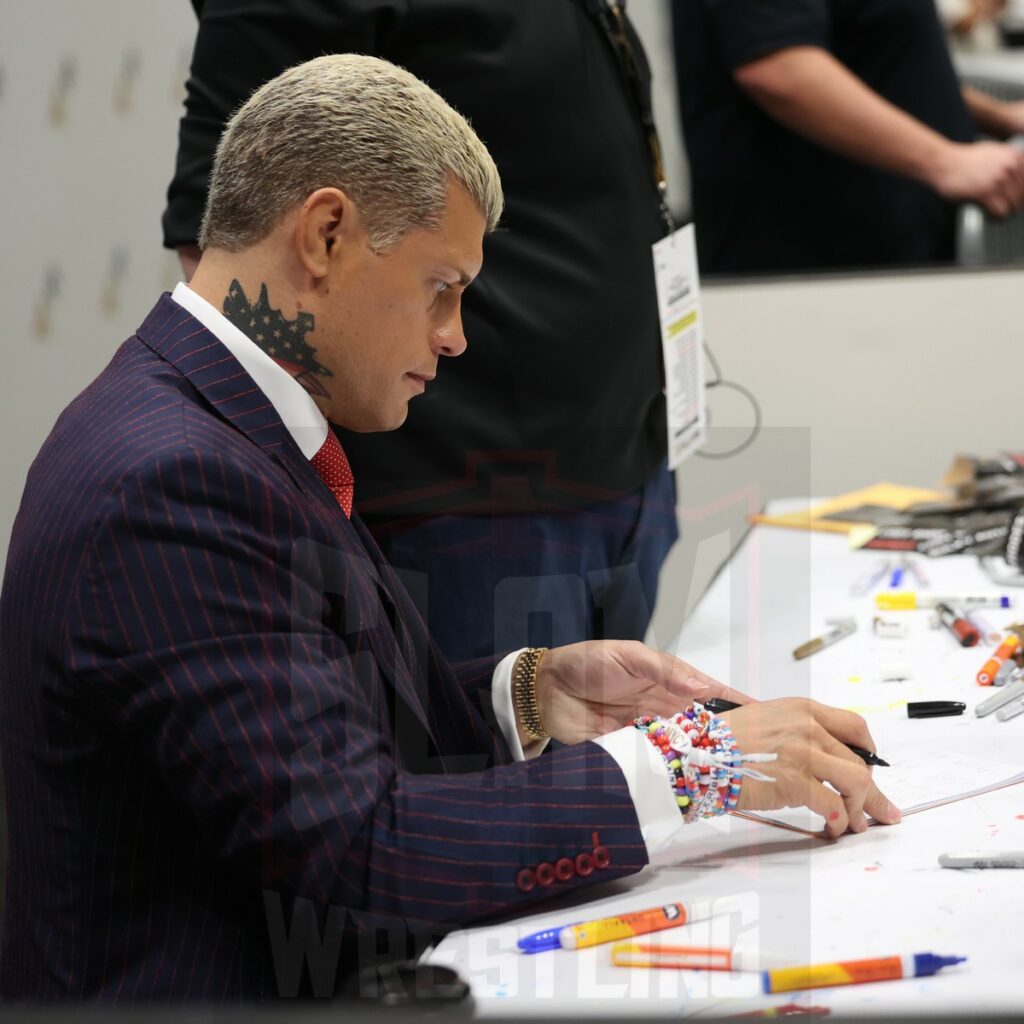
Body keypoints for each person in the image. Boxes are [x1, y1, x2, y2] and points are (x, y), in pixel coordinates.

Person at [0, 55, 898, 1002]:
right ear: (327, 234)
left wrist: (530, 696)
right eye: (441, 285)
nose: (456, 333)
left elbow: (307, 726)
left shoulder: (223, 424)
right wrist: (694, 767)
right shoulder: (174, 481)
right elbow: (359, 849)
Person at [162, 0, 681, 667]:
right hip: (459, 506)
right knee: (464, 765)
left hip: (624, 467)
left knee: (614, 757)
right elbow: (236, 236)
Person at [674, 0, 1024, 275]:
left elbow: (880, 65)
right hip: (811, 273)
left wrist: (997, 117)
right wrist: (946, 162)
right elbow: (776, 65)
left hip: (894, 255)